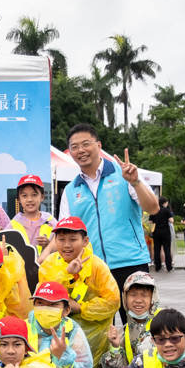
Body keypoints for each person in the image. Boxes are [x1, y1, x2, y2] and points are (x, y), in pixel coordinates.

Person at [57, 125, 159, 322]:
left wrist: (136, 182)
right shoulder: (71, 190)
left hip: (131, 263)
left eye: (86, 144)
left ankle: (140, 355)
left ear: (98, 145)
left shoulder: (124, 175)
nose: (81, 150)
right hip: (92, 269)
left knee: (139, 324)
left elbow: (153, 208)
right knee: (100, 329)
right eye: (75, 147)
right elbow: (64, 233)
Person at [37, 217, 120, 368]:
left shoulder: (97, 266)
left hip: (94, 337)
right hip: (58, 334)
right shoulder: (49, 265)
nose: (66, 245)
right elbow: (44, 297)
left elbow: (113, 300)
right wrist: (66, 274)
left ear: (85, 241)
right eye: (61, 239)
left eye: (73, 239)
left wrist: (80, 308)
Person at [99, 272, 160, 368]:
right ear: (124, 297)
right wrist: (115, 347)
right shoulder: (122, 332)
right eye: (133, 295)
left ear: (153, 297)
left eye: (144, 295)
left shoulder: (165, 323)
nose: (138, 300)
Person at [9, 174, 58, 252]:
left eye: (34, 195)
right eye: (24, 195)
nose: (29, 199)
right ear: (19, 199)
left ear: (42, 197)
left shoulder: (50, 221)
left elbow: (62, 247)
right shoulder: (13, 224)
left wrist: (49, 244)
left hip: (46, 264)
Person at [149, 196, 175, 272]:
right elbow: (171, 220)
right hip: (165, 231)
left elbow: (150, 221)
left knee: (157, 249)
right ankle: (169, 267)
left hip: (156, 232)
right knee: (167, 249)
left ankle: (158, 266)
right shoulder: (166, 210)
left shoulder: (154, 210)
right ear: (164, 202)